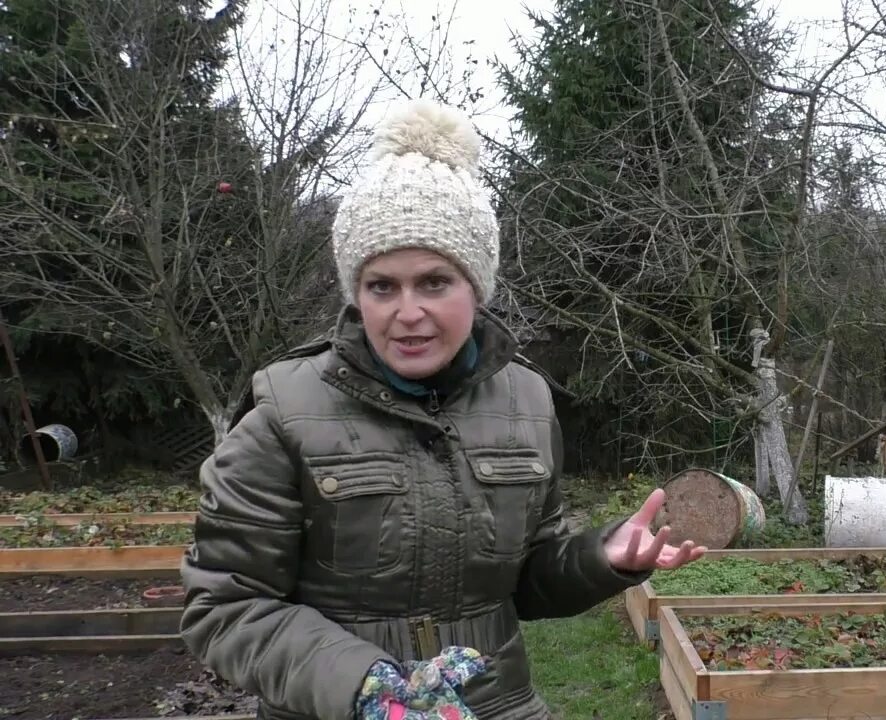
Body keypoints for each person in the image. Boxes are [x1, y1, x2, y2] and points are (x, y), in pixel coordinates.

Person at [179, 99, 707, 720]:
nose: (407, 312)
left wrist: (601, 558)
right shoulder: (285, 409)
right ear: (357, 293)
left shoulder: (526, 401)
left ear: (475, 287)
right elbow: (227, 606)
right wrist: (364, 686)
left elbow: (530, 581)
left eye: (434, 282)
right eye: (382, 286)